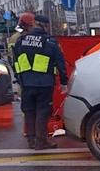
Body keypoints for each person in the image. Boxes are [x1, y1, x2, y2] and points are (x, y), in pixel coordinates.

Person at [13, 14, 67, 150]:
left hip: (26, 83)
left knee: (30, 111)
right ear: (43, 25)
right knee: (43, 112)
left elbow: (15, 62)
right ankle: (41, 141)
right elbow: (61, 63)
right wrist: (64, 82)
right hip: (44, 83)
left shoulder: (20, 41)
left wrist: (20, 79)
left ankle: (31, 141)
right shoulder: (50, 42)